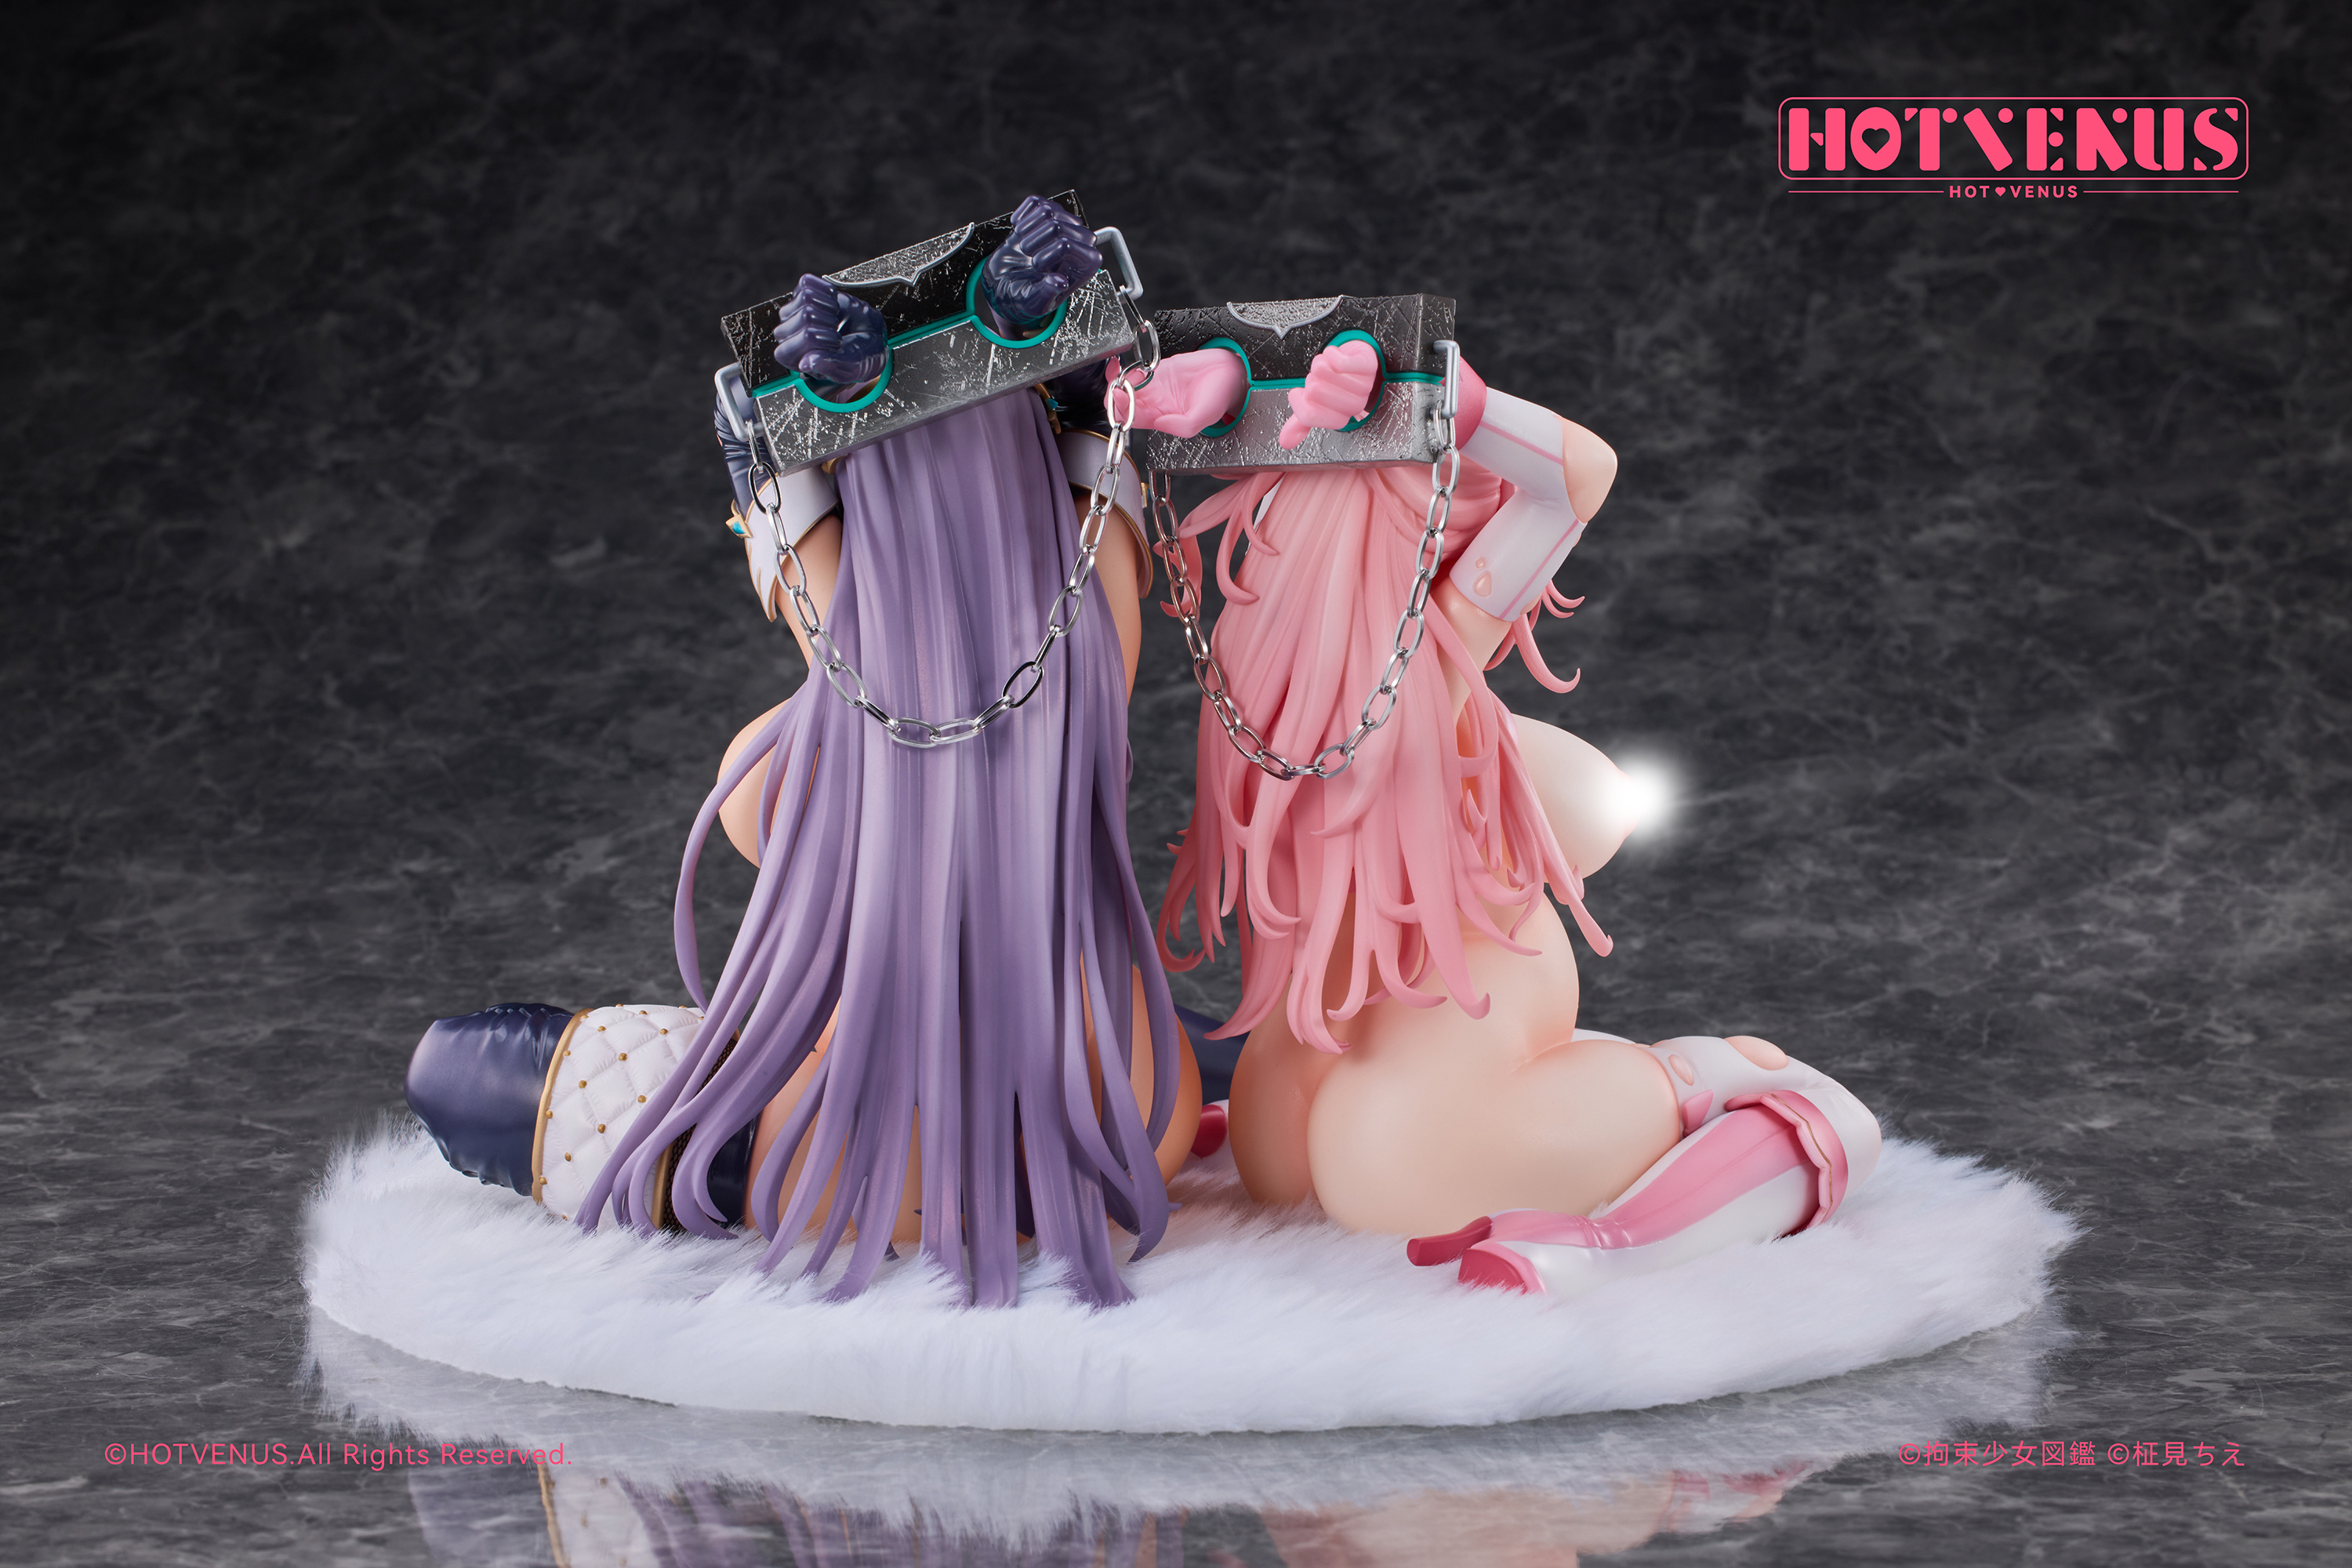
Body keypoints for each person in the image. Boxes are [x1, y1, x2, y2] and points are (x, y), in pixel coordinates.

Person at [405, 198, 1200, 1308]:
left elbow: (815, 598)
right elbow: (1093, 518)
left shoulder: (787, 764)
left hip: (876, 1155)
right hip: (1125, 1133)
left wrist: (765, 465)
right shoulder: (1088, 659)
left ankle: (717, 1157)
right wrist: (1074, 384)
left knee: (460, 1074)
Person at [1127, 334, 1880, 1296]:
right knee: (1824, 1112)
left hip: (1363, 1080)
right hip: (1380, 1089)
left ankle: (1668, 1120)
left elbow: (1562, 482)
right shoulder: (1349, 672)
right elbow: (1572, 478)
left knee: (1422, 1124)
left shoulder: (1328, 670)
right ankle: (1675, 1108)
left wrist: (1373, 395)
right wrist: (1417, 397)